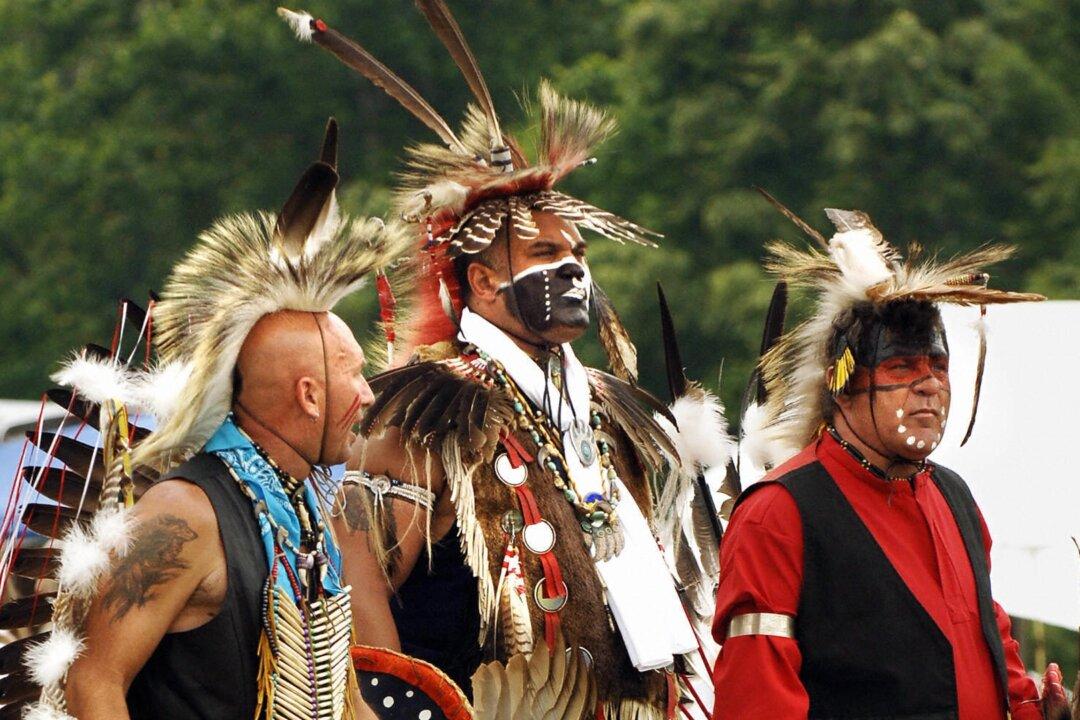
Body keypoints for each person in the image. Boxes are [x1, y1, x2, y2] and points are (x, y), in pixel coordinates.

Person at [279, 5, 730, 718]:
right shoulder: (428, 411)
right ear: (483, 282)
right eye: (545, 253)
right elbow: (354, 564)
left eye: (578, 253)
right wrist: (396, 701)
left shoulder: (608, 409)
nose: (574, 269)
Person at [12, 120, 409, 720]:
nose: (368, 394)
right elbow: (93, 681)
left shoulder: (303, 514)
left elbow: (340, 696)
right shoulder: (185, 515)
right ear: (308, 396)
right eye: (353, 374)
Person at [711, 201, 1057, 719]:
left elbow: (990, 636)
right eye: (901, 366)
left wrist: (1031, 709)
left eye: (938, 366)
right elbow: (756, 694)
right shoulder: (778, 512)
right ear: (842, 383)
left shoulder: (953, 496)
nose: (929, 384)